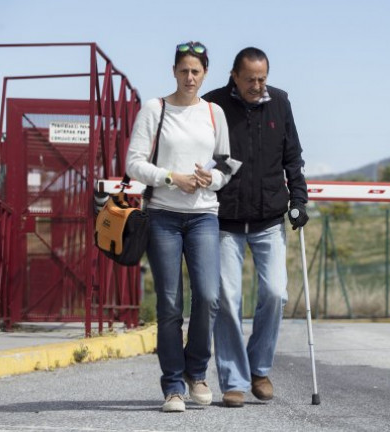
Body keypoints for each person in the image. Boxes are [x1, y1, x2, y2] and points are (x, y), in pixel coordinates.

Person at [126, 41, 234, 413]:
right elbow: (134, 164)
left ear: (205, 74)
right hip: (163, 217)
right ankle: (173, 385)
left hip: (204, 215)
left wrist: (211, 178)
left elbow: (227, 165)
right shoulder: (155, 109)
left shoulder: (214, 112)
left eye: (197, 71)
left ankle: (197, 371)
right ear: (174, 71)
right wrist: (173, 178)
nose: (190, 77)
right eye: (184, 70)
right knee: (170, 304)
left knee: (208, 296)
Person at [203, 47, 309, 408]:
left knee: (276, 293)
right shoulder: (212, 105)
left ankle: (259, 368)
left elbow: (292, 156)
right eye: (250, 79)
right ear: (234, 75)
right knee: (227, 300)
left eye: (262, 78)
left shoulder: (279, 102)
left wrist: (299, 200)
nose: (257, 85)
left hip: (268, 219)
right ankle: (234, 380)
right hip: (225, 220)